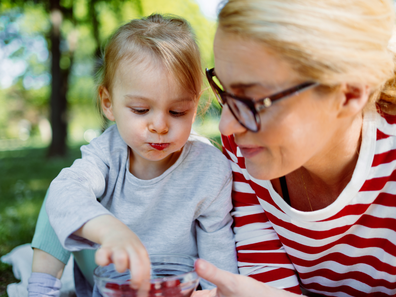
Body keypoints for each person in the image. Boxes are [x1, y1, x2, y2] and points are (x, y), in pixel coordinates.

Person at [193, 0, 396, 296]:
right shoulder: (246, 151)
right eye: (224, 89)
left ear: (349, 91)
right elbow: (268, 282)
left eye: (253, 102)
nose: (226, 127)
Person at [28, 13, 238, 297]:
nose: (160, 126)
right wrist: (109, 230)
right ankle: (41, 290)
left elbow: (219, 257)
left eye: (178, 112)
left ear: (197, 106)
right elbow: (65, 192)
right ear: (108, 104)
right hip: (110, 279)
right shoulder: (108, 152)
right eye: (140, 110)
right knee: (62, 193)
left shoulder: (210, 169)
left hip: (173, 287)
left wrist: (220, 292)